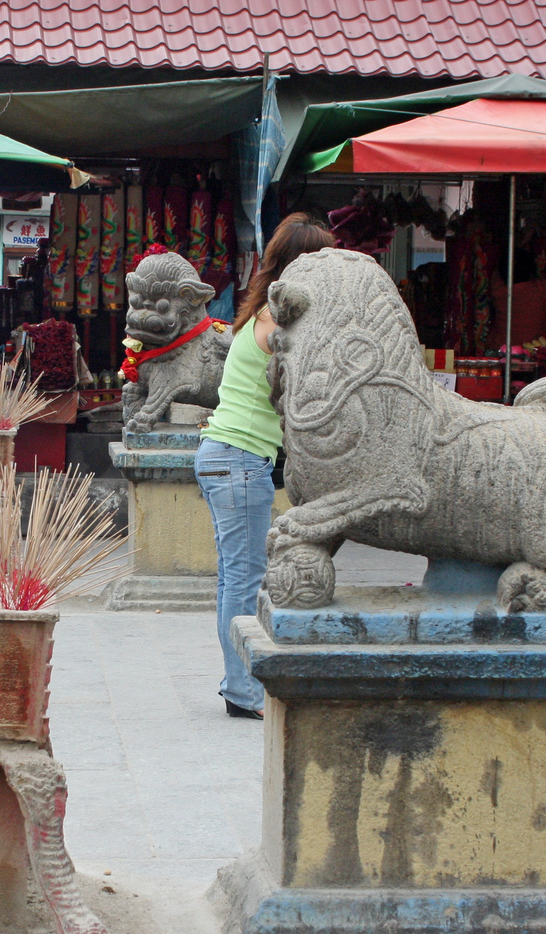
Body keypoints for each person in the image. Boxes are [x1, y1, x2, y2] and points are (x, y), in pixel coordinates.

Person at [195, 213, 335, 720]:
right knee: (244, 578)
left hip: (224, 457)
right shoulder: (279, 323)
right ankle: (245, 692)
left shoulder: (261, 310)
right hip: (239, 460)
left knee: (234, 576)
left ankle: (238, 686)